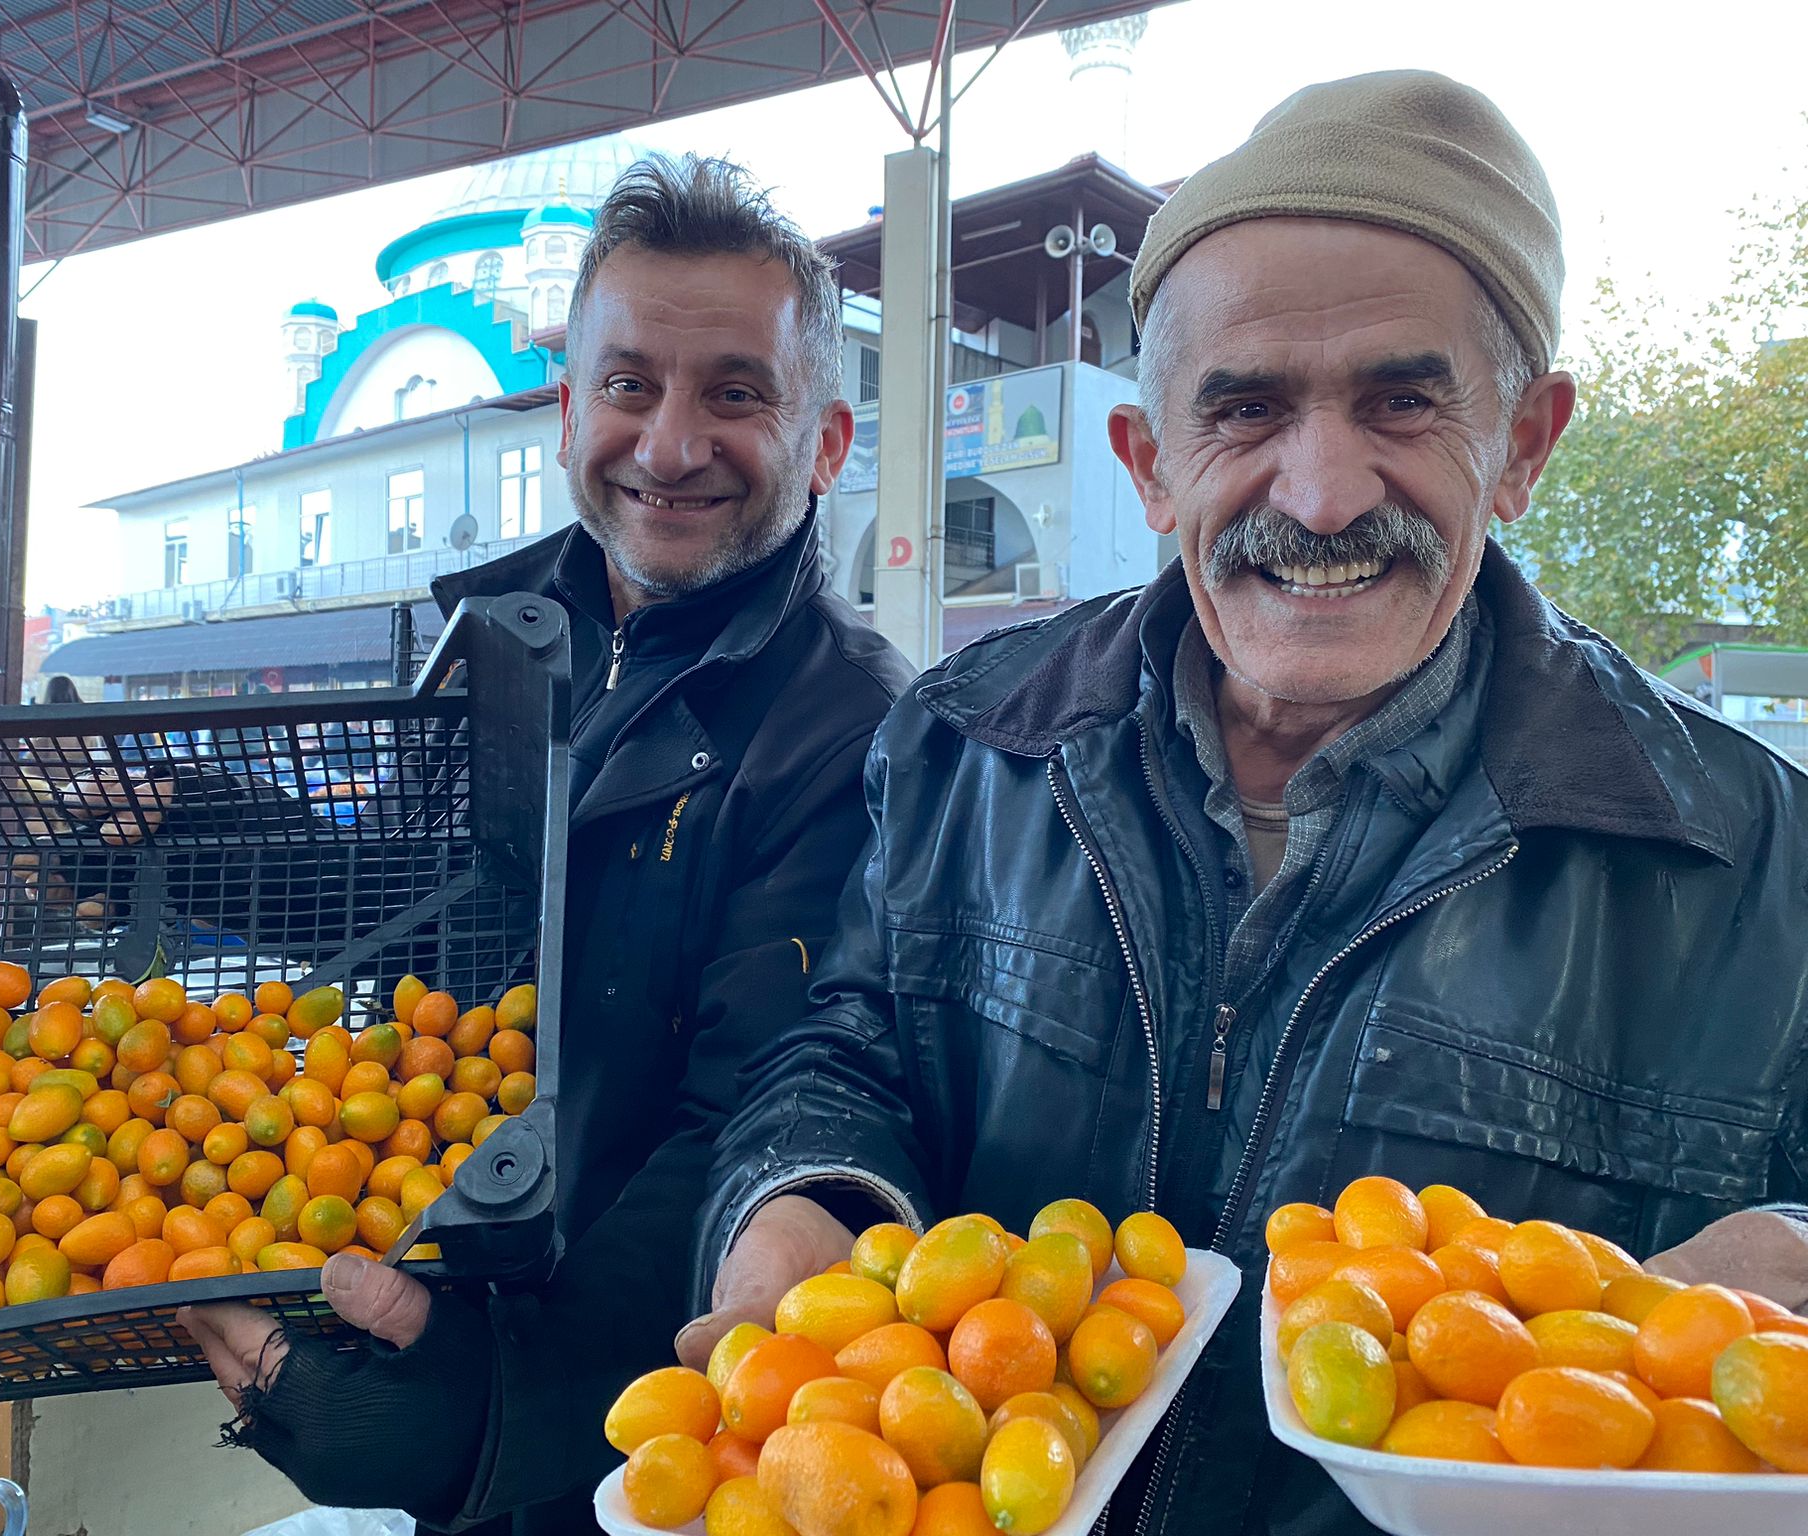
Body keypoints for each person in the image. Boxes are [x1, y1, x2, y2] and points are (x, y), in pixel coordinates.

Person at [681, 71, 1808, 1535]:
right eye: (1246, 410)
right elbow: (856, 1047)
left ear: (1524, 445)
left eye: (1405, 402)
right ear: (1152, 466)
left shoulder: (1754, 857)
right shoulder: (966, 747)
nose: (1325, 493)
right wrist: (799, 1195)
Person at [157, 154, 913, 1532]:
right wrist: (160, 834)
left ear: (827, 441)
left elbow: (747, 1128)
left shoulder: (862, 733)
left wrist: (496, 1416)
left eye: (735, 393)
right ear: (570, 410)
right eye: (629, 386)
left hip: (634, 1440)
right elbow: (422, 913)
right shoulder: (502, 650)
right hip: (419, 1313)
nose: (671, 444)